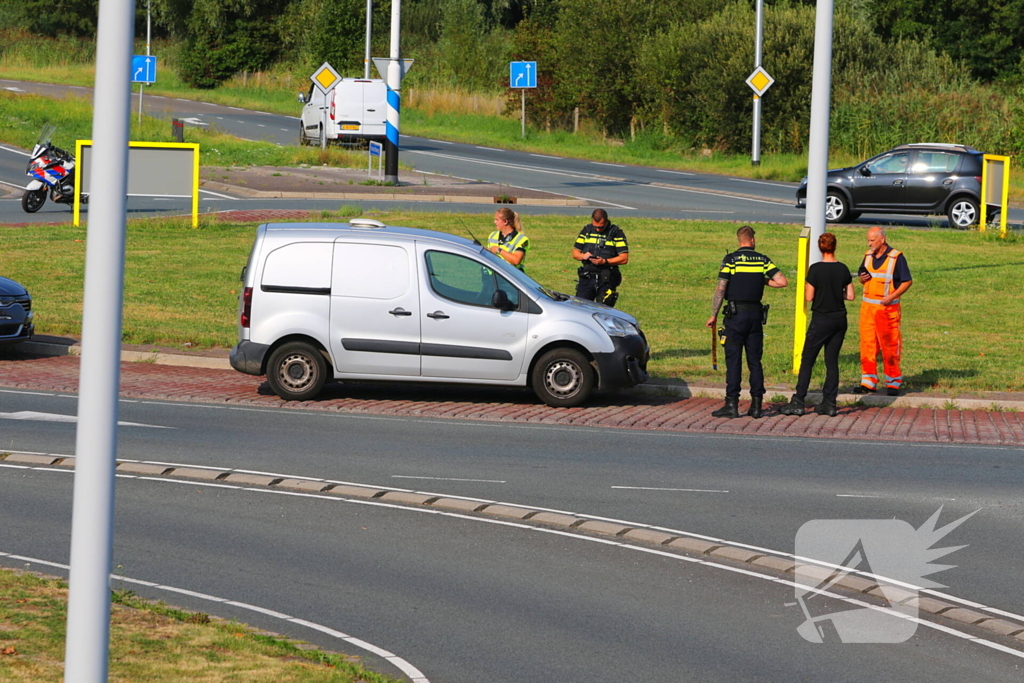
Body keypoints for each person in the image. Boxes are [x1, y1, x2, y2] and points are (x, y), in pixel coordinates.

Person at [706, 226, 788, 419]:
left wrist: (713, 314)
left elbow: (721, 289)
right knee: (754, 361)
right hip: (755, 316)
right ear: (752, 241)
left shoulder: (731, 260)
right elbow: (781, 281)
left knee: (733, 361)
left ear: (739, 241)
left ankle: (731, 405)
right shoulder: (762, 260)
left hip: (735, 316)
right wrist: (762, 281)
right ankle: (757, 405)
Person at [780, 232, 855, 417]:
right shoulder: (843, 269)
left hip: (821, 319)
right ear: (835, 246)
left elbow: (809, 297)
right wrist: (838, 294)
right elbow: (851, 296)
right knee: (831, 361)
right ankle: (829, 403)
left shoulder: (814, 270)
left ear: (820, 247)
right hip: (839, 319)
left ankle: (798, 400)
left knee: (808, 360)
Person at [855, 226, 912, 396]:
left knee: (890, 346)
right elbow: (862, 275)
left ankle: (893, 382)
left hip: (887, 310)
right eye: (868, 240)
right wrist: (861, 279)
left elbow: (907, 281)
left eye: (872, 240)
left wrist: (892, 296)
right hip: (867, 309)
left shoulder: (896, 258)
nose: (869, 243)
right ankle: (868, 382)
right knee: (867, 345)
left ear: (882, 239)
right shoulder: (867, 256)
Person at [572, 209, 629, 306]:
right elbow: (575, 253)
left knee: (604, 311)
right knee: (580, 308)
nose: (598, 229)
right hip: (587, 279)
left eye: (601, 227)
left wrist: (605, 261)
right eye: (595, 227)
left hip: (606, 280)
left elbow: (624, 258)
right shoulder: (587, 231)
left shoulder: (616, 233)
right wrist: (583, 256)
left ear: (606, 221)